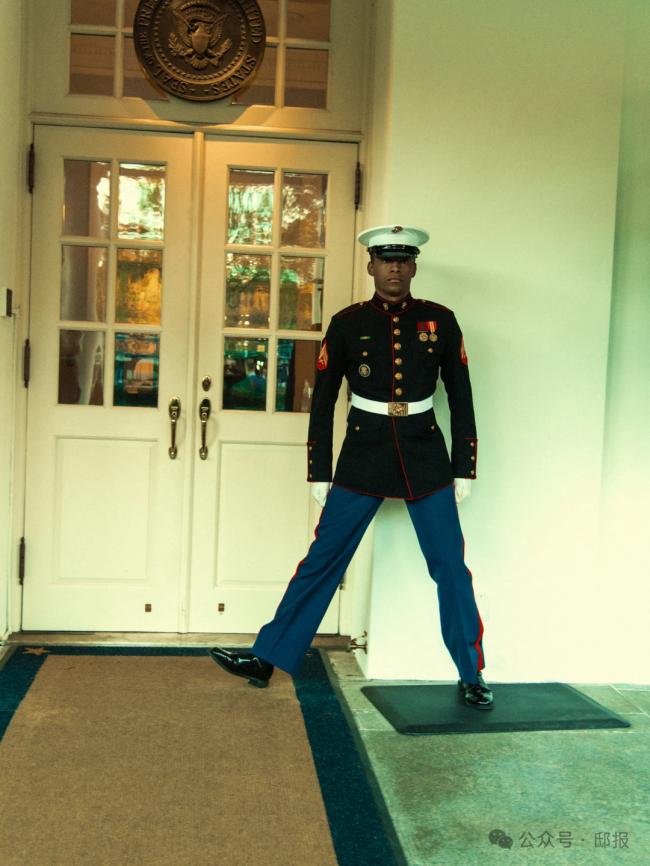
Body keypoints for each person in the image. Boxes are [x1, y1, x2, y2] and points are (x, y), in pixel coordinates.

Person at [210, 224, 493, 710]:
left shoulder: (440, 321)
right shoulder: (347, 323)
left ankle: (471, 673)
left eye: (403, 260)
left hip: (425, 453)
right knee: (323, 559)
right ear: (371, 266)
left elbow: (461, 394)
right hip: (364, 451)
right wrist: (319, 470)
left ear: (414, 267)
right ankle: (266, 657)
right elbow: (322, 402)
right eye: (386, 260)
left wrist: (463, 465)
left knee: (450, 565)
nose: (394, 269)